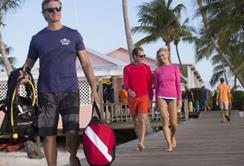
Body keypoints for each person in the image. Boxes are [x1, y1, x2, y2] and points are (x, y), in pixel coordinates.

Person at [21, 0, 98, 165]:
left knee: (72, 131)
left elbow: (86, 63)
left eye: (58, 8)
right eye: (50, 10)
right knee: (49, 135)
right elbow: (28, 64)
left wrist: (93, 88)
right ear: (44, 13)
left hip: (70, 90)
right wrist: (23, 75)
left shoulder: (73, 34)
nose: (54, 12)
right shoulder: (37, 39)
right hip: (46, 93)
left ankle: (71, 157)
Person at [123, 47, 153, 151]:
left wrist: (151, 99)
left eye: (144, 55)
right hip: (132, 98)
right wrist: (129, 90)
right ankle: (139, 140)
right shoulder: (127, 68)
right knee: (135, 121)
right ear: (134, 56)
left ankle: (141, 142)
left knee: (142, 119)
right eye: (141, 56)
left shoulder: (146, 67)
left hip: (143, 97)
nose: (143, 57)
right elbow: (125, 83)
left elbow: (149, 84)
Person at [154, 47, 182, 152]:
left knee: (174, 123)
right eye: (159, 56)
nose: (161, 58)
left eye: (163, 55)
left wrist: (180, 99)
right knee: (165, 119)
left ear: (167, 54)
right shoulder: (157, 71)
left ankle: (172, 137)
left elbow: (178, 84)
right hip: (161, 96)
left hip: (173, 97)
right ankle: (169, 144)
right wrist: (156, 101)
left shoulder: (175, 68)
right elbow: (156, 87)